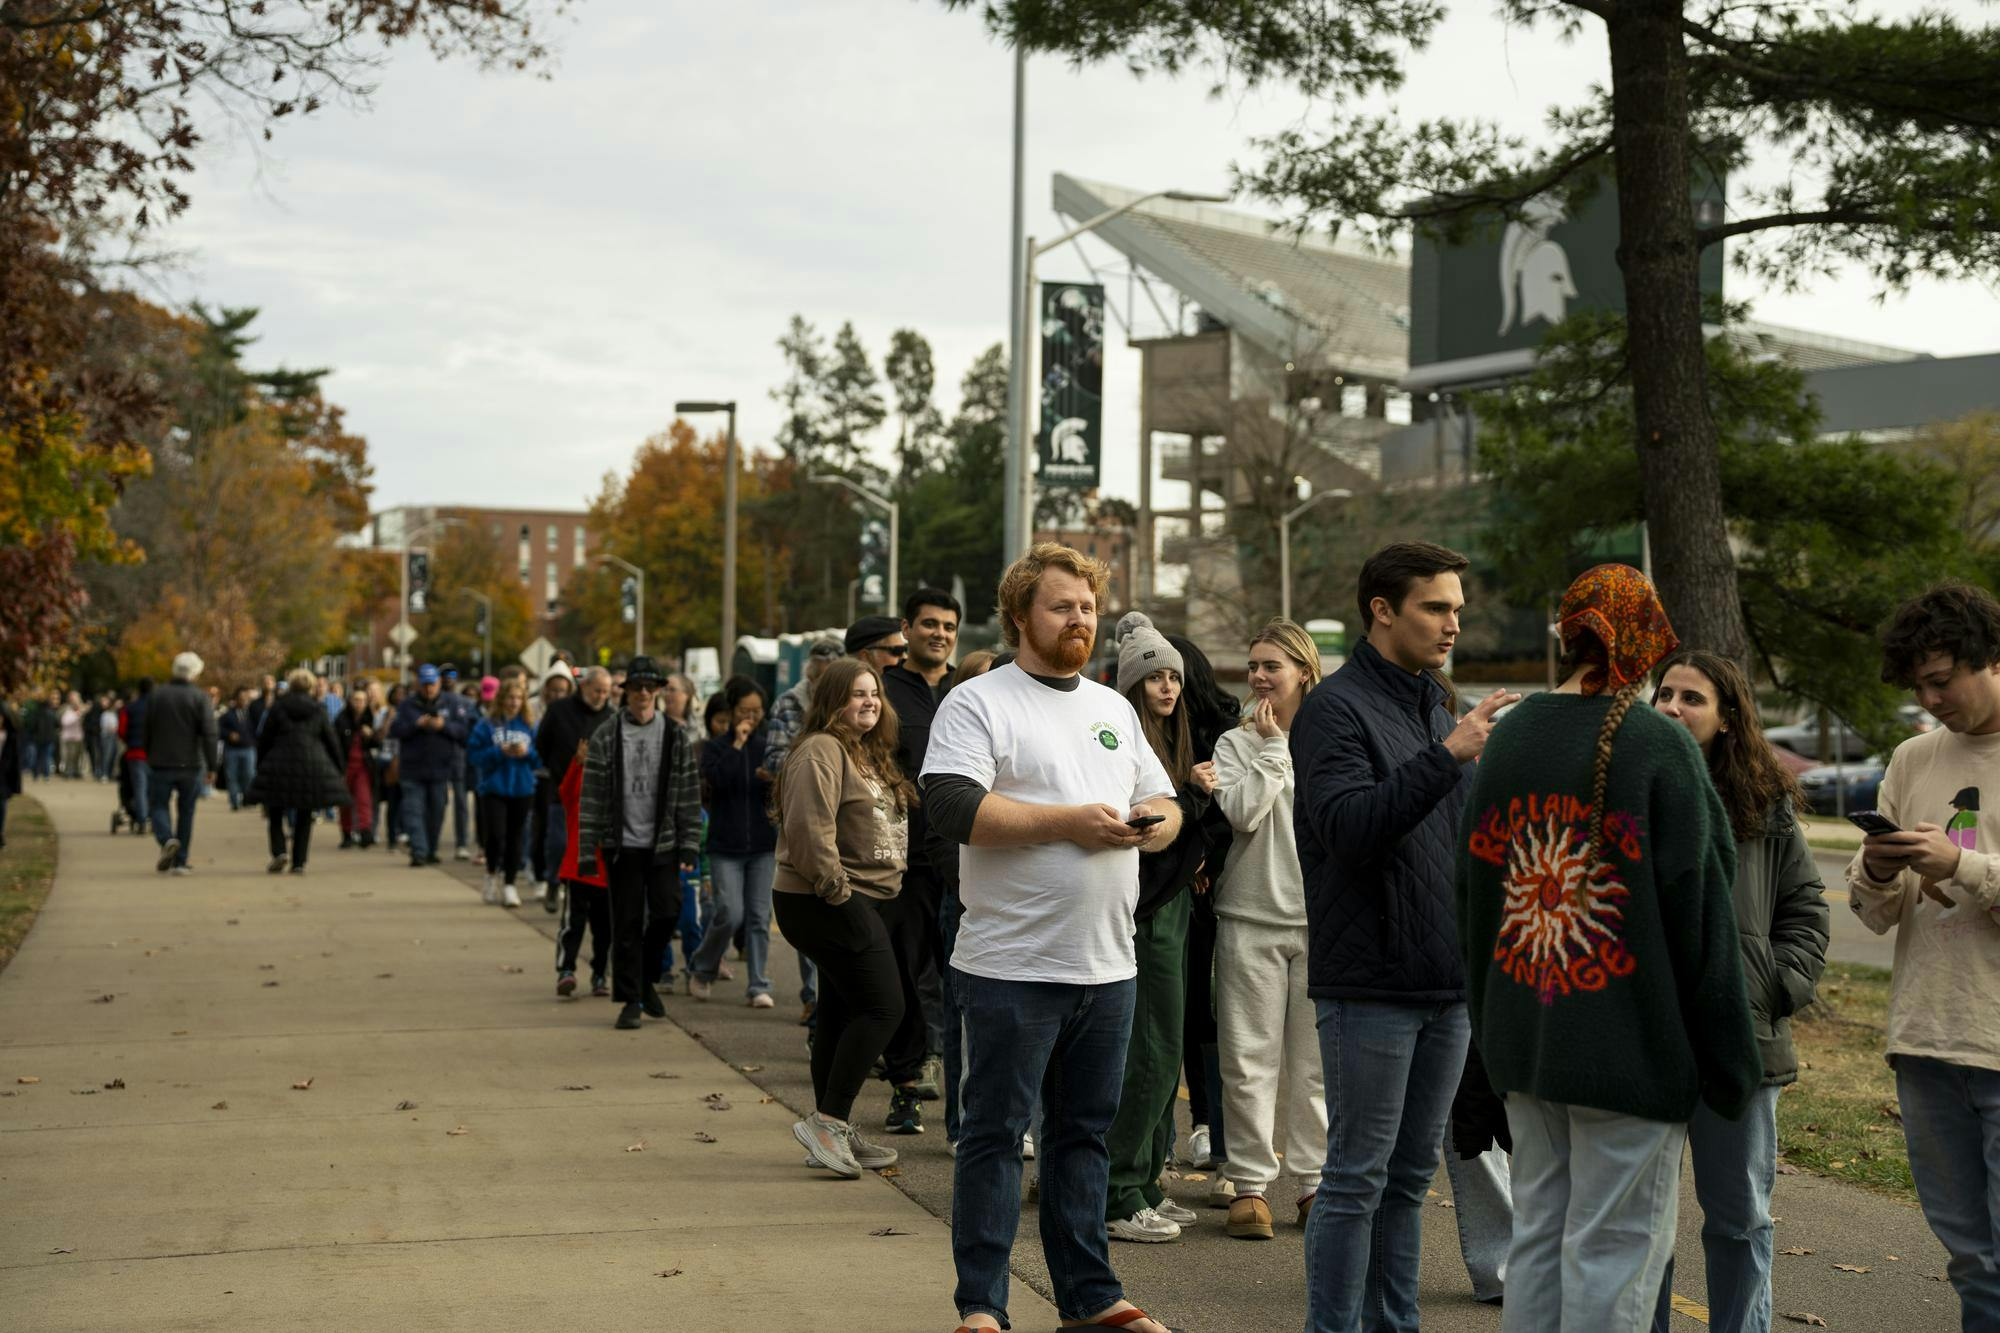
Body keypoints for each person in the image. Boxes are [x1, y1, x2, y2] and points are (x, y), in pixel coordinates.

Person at [1456, 563, 1758, 1333]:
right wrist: (1728, 1062)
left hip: (1525, 1044)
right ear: (1648, 638)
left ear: (1571, 632)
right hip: (1631, 1051)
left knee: (1540, 1242)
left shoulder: (1511, 735)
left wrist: (1491, 1035)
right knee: (1615, 1253)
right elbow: (1704, 917)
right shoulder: (1658, 745)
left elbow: (1473, 898)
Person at [922, 542, 1182, 1333]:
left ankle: (1090, 1295)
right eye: (1063, 605)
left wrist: (1152, 825)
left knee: (1083, 1137)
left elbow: (1166, 803)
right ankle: (983, 1304)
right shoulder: (979, 702)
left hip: (1106, 963)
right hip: (1010, 963)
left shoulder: (1111, 708)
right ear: (1020, 616)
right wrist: (1069, 821)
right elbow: (952, 806)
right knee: (996, 1135)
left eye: (1088, 606)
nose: (1081, 618)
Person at [1292, 542, 1519, 1332]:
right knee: (1356, 1176)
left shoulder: (1433, 702)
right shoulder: (1335, 707)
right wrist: (1447, 753)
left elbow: (1455, 845)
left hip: (1445, 983)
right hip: (1369, 985)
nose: (1453, 622)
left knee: (1411, 1177)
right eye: (1436, 606)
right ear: (1382, 610)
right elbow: (1349, 828)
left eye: (1457, 608)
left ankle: (1396, 1323)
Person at [1648, 650, 1830, 1333]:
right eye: (1663, 692)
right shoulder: (1631, 787)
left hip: (1741, 1046)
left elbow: (1806, 906)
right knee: (1644, 1224)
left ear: (1727, 718)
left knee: (1739, 1216)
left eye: (1692, 697)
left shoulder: (1764, 799)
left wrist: (1770, 987)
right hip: (1649, 1048)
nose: (1671, 705)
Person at [1848, 581, 2000, 1328]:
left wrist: (1962, 864)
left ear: (1992, 657)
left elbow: (1959, 868)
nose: (1929, 699)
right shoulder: (1912, 758)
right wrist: (1878, 867)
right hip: (1926, 1042)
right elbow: (1874, 914)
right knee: (1971, 1259)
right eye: (1918, 686)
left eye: (1941, 680)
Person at [1209, 617, 1328, 1242]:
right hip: (1248, 917)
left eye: (1270, 666)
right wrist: (1274, 749)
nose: (1257, 676)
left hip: (1321, 923)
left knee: (1314, 1069)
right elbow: (1242, 813)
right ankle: (1250, 1185)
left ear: (1303, 673)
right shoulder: (1236, 744)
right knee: (1249, 1060)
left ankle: (1312, 1185)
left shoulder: (1332, 736)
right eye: (1253, 665)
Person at [771, 656, 911, 1178]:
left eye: (874, 692)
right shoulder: (821, 750)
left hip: (858, 897)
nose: (869, 701)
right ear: (832, 701)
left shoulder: (865, 751)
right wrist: (839, 894)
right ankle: (829, 1120)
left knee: (839, 1008)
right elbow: (810, 832)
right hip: (823, 898)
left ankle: (832, 1130)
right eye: (856, 694)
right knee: (884, 1007)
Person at [1102, 612, 1214, 1244]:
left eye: (1174, 675)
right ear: (1133, 685)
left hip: (1172, 908)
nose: (1168, 687)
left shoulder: (1179, 741)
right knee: (1146, 1053)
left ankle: (1145, 1183)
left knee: (1166, 1050)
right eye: (1154, 678)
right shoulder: (1123, 742)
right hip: (1143, 912)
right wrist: (1193, 800)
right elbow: (1148, 835)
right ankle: (1118, 1193)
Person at [575, 656, 700, 1031]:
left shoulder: (675, 735)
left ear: (659, 692)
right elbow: (592, 796)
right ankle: (630, 999)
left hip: (663, 843)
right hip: (622, 846)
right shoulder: (607, 736)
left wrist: (691, 842)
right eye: (636, 687)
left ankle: (644, 977)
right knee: (626, 923)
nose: (643, 694)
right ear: (625, 692)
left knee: (667, 912)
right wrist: (587, 851)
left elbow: (689, 794)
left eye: (650, 687)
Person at [879, 588, 963, 1122]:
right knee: (907, 972)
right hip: (903, 858)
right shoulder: (884, 692)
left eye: (949, 626)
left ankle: (963, 1102)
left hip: (962, 856)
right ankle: (905, 1086)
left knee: (960, 976)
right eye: (930, 624)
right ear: (907, 630)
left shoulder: (970, 690)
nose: (940, 634)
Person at [1168, 633, 1239, 1202]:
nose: (1165, 688)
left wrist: (1205, 861)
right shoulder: (1149, 731)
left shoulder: (1224, 731)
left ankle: (1215, 1131)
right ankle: (1191, 1129)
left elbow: (1227, 810)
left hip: (1219, 882)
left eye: (1173, 676)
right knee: (1181, 1010)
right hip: (1170, 885)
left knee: (1212, 1014)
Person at [926, 648, 999, 1148]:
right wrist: (964, 882)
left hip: (1016, 900)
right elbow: (941, 828)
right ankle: (961, 1123)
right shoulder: (955, 735)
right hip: (966, 895)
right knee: (964, 1017)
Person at [766, 636, 844, 1024]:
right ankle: (813, 996)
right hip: (801, 818)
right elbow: (775, 758)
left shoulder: (850, 707)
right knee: (811, 905)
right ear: (812, 671)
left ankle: (828, 999)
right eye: (822, 670)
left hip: (845, 825)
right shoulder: (790, 704)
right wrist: (813, 765)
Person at [690, 681, 777, 1006]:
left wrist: (773, 781)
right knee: (730, 913)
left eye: (756, 711)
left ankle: (758, 984)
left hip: (762, 845)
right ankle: (703, 966)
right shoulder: (716, 748)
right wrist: (736, 745)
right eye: (744, 711)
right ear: (732, 711)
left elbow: (779, 794)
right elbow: (716, 782)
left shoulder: (768, 747)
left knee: (758, 916)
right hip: (724, 845)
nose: (750, 718)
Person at [248, 669, 351, 874]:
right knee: (305, 813)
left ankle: (279, 851)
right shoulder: (318, 709)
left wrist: (260, 765)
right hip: (310, 765)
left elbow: (265, 738)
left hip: (279, 764)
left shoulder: (278, 708)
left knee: (275, 810)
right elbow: (331, 740)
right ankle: (299, 862)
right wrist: (339, 767)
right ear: (311, 686)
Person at [143, 651, 220, 876]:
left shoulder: (157, 695)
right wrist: (213, 765)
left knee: (158, 805)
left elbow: (147, 728)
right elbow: (209, 733)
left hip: (160, 761)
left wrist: (149, 753)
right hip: (190, 763)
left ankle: (166, 838)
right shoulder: (199, 698)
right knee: (186, 811)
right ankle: (180, 861)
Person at [470, 677, 540, 908]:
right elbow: (474, 755)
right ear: (501, 699)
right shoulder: (487, 724)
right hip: (494, 788)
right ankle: (491, 874)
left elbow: (540, 758)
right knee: (496, 836)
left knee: (515, 837)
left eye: (519, 698)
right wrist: (499, 752)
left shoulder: (530, 724)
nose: (514, 702)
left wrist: (526, 753)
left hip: (522, 787)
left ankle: (510, 884)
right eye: (510, 697)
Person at [391, 665, 469, 868]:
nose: (428, 689)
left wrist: (444, 726)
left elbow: (464, 733)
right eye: (424, 685)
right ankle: (419, 851)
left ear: (438, 683)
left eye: (432, 684)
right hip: (412, 769)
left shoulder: (452, 703)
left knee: (436, 812)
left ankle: (431, 849)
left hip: (441, 769)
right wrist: (416, 725)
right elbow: (396, 730)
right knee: (413, 811)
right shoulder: (407, 705)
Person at [553, 738, 613, 998]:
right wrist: (578, 763)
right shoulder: (579, 782)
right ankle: (566, 969)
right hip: (578, 868)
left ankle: (600, 972)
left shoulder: (615, 785)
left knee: (605, 928)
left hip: (607, 871)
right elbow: (565, 792)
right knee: (573, 923)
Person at [437, 663, 477, 861]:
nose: (448, 679)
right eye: (444, 675)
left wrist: (445, 727)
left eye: (452, 675)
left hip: (459, 757)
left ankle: (462, 842)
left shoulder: (465, 703)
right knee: (438, 801)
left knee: (461, 802)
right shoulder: (434, 701)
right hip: (437, 758)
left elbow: (467, 732)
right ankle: (432, 840)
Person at [333, 688, 378, 848]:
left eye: (362, 700)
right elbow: (335, 743)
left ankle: (365, 831)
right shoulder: (342, 719)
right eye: (356, 700)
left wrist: (371, 735)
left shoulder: (370, 719)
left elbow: (378, 743)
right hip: (345, 766)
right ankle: (346, 834)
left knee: (363, 799)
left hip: (363, 766)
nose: (359, 703)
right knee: (344, 801)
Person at [219, 687, 259, 811]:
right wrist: (228, 734)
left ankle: (247, 799)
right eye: (240, 698)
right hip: (232, 750)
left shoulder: (252, 714)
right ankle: (234, 801)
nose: (243, 701)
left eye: (245, 698)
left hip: (248, 749)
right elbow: (219, 729)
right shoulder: (227, 715)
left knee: (249, 774)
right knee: (232, 775)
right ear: (236, 699)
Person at [0, 697, 21, 849]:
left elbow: (15, 762)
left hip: (3, 777)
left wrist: (16, 785)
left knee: (1, 805)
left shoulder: (10, 737)